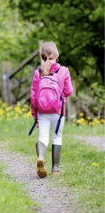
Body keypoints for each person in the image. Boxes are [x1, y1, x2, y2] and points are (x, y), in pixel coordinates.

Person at [30, 41, 73, 178]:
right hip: (58, 111)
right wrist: (60, 96)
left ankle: (41, 157)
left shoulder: (38, 72)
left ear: (42, 55)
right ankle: (55, 169)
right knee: (57, 136)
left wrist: (34, 113)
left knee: (43, 136)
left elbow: (33, 95)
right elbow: (69, 91)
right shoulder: (64, 70)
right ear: (57, 54)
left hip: (42, 111)